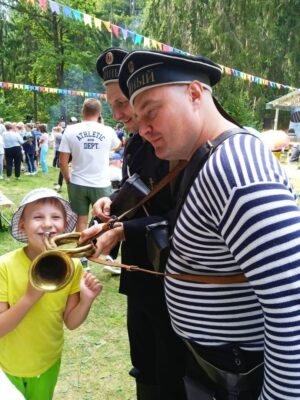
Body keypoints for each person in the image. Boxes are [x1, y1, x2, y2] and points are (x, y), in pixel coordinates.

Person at [116, 49, 300, 400]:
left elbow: (292, 305)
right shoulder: (207, 156)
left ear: (195, 93)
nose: (143, 128)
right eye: (138, 117)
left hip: (243, 374)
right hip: (218, 367)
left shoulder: (236, 169)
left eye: (151, 111)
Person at [81, 47, 187, 400]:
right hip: (139, 267)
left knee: (170, 362)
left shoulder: (174, 143)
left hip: (172, 273)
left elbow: (185, 216)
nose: (119, 113)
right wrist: (111, 202)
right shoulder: (134, 144)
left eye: (123, 102)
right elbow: (139, 191)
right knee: (142, 357)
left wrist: (125, 231)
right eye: (112, 104)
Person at [0, 188, 102, 400]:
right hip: (7, 365)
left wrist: (86, 300)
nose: (47, 223)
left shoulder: (72, 266)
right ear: (23, 225)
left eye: (55, 217)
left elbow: (71, 322)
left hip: (47, 362)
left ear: (64, 226)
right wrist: (29, 297)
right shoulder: (4, 266)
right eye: (38, 217)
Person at [59, 99, 121, 232]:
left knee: (80, 221)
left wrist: (67, 179)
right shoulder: (108, 130)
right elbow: (118, 146)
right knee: (103, 220)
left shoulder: (70, 130)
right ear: (99, 113)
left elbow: (62, 161)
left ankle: (81, 251)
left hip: (77, 182)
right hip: (101, 183)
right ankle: (98, 250)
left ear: (83, 111)